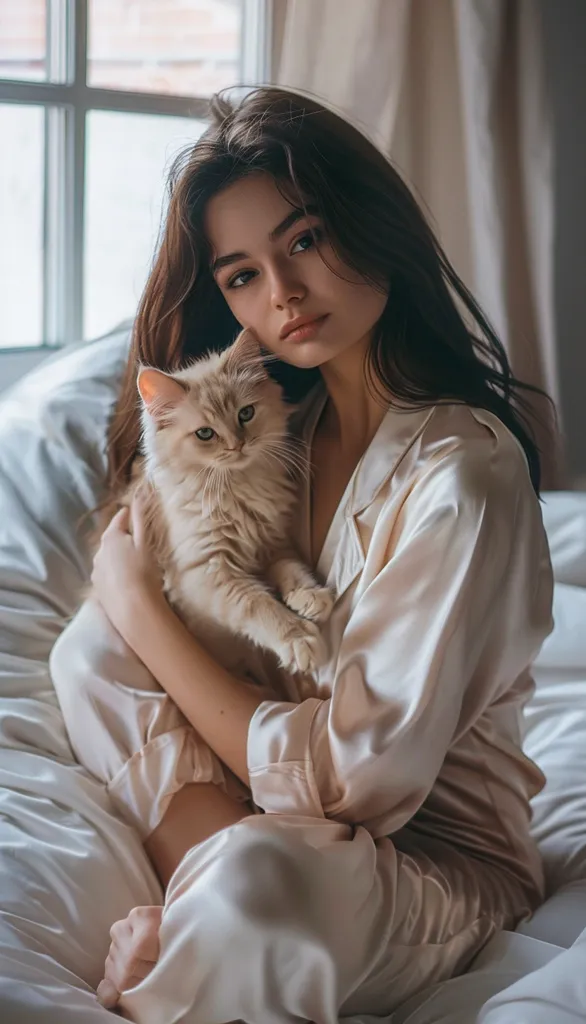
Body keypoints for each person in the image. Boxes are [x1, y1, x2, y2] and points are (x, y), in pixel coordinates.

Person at [85, 87, 554, 1022]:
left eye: (302, 241)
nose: (284, 295)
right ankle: (200, 898)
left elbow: (352, 785)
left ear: (370, 223)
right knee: (88, 655)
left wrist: (138, 603)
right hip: (286, 815)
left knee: (265, 875)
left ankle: (202, 908)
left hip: (432, 860)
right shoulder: (284, 433)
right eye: (241, 276)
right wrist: (133, 607)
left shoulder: (463, 477)